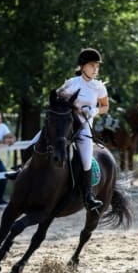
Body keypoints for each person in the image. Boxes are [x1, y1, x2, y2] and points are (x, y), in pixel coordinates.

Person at [57, 48, 109, 213]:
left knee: (86, 159)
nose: (95, 69)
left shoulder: (98, 87)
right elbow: (58, 100)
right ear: (82, 66)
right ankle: (21, 170)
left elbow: (105, 106)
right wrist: (74, 108)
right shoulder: (71, 83)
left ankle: (88, 197)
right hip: (67, 124)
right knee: (38, 138)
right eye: (92, 65)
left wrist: (95, 111)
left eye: (97, 66)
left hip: (83, 127)